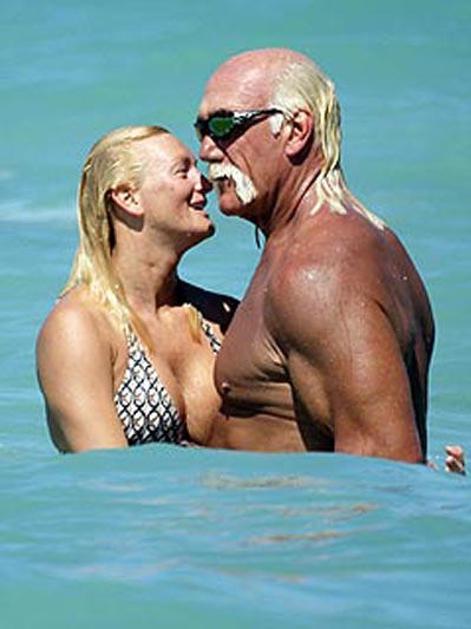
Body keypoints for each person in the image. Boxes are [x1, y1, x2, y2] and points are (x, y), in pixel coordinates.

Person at [195, 47, 459, 466]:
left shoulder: (320, 269)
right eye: (202, 130)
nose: (207, 150)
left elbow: (381, 468)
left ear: (296, 130)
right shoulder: (344, 240)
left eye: (224, 125)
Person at [36, 125, 238, 453]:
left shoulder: (220, 316)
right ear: (128, 197)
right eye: (182, 171)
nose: (204, 182)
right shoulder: (79, 328)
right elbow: (106, 472)